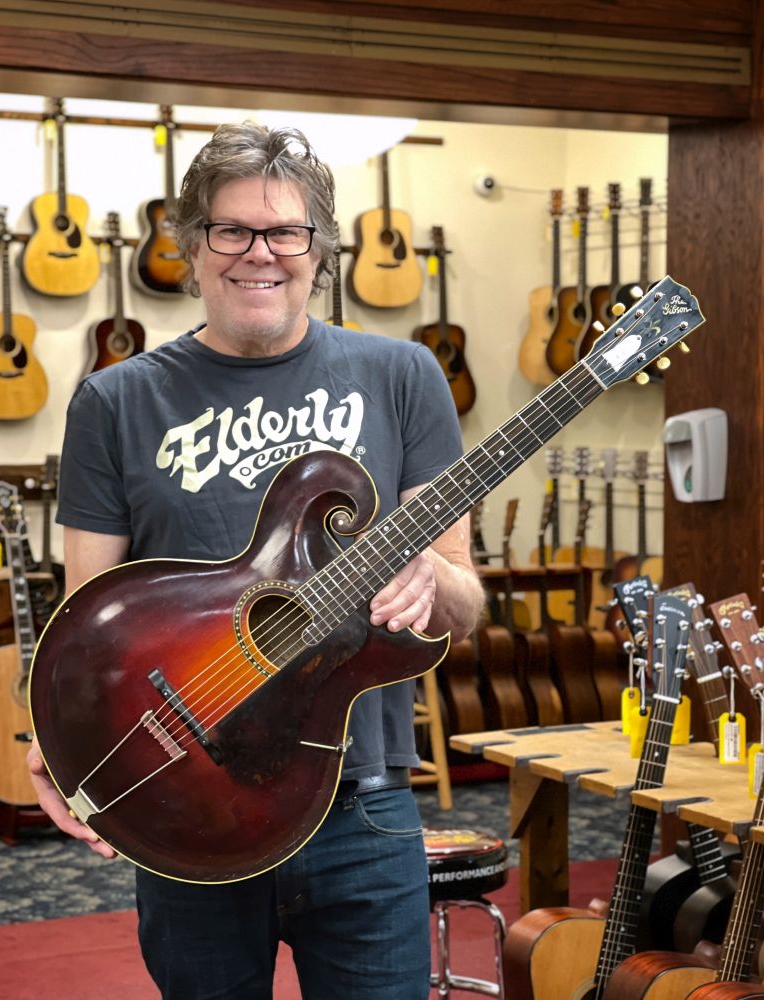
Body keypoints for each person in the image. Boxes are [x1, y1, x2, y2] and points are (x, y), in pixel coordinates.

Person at [27, 120, 485, 1000]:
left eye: (285, 232)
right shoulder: (114, 401)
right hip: (189, 797)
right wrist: (50, 735)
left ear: (321, 250)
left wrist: (437, 583)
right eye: (230, 230)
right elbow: (83, 617)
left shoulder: (404, 377)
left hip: (363, 803)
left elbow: (462, 599)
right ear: (192, 247)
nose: (258, 254)